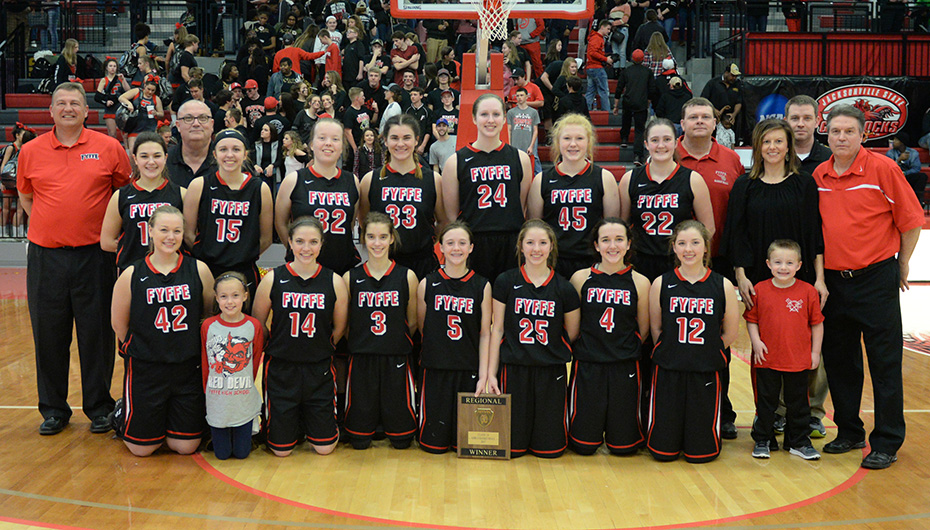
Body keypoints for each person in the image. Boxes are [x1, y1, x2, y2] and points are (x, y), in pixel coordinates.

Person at [17, 82, 132, 435]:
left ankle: (99, 406)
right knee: (49, 334)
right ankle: (53, 408)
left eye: (75, 103)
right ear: (50, 111)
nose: (68, 108)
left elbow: (122, 196)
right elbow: (27, 198)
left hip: (94, 257)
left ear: (86, 111)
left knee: (95, 333)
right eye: (61, 103)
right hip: (46, 258)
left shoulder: (109, 148)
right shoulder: (31, 151)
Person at [813, 104, 923, 470]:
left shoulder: (884, 169)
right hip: (834, 283)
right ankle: (849, 431)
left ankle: (887, 441)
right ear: (826, 135)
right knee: (841, 362)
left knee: (884, 362)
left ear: (863, 135)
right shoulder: (819, 174)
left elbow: (910, 221)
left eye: (848, 131)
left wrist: (902, 263)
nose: (841, 137)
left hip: (876, 279)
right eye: (835, 131)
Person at [720, 118, 827, 438]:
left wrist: (819, 278)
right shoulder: (744, 185)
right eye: (766, 142)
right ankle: (769, 413)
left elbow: (813, 234)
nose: (772, 147)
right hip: (759, 281)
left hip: (800, 277)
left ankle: (806, 413)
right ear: (757, 146)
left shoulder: (803, 184)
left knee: (802, 345)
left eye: (779, 141)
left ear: (789, 146)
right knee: (766, 347)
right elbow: (736, 233)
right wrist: (740, 274)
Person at [110, 205, 215, 456]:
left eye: (177, 231)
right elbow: (118, 324)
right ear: (150, 231)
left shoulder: (198, 269)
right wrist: (144, 348)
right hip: (147, 368)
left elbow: (209, 315)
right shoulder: (132, 273)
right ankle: (122, 412)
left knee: (185, 446)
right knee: (142, 450)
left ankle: (167, 418)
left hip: (186, 368)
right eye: (164, 230)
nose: (171, 237)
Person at [675, 97, 743, 439]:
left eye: (705, 116)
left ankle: (724, 410)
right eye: (693, 117)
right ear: (682, 122)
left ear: (715, 122)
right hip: (673, 267)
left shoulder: (731, 160)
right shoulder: (666, 153)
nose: (699, 121)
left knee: (718, 341)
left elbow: (739, 215)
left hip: (718, 264)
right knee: (675, 339)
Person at [252, 217, 349, 456]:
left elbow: (339, 328)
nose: (306, 248)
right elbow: (259, 324)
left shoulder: (334, 281)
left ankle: (309, 425)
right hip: (282, 368)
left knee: (325, 448)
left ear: (321, 245)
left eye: (313, 242)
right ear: (290, 243)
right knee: (281, 451)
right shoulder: (273, 279)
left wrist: (316, 348)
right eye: (300, 241)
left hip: (319, 368)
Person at [646, 220, 739, 463]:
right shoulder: (661, 283)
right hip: (669, 369)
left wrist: (709, 353)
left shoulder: (722, 284)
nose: (689, 249)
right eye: (682, 243)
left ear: (706, 247)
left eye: (695, 243)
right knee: (662, 452)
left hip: (705, 370)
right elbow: (656, 328)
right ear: (674, 248)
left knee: (701, 454)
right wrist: (671, 351)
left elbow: (730, 333)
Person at [488, 219, 581, 457]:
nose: (536, 249)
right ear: (520, 246)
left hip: (551, 369)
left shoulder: (564, 288)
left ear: (551, 247)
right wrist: (490, 373)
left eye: (542, 243)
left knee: (550, 451)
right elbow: (496, 329)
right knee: (513, 448)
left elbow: (571, 332)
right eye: (530, 242)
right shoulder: (505, 281)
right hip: (514, 368)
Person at [567, 218, 651, 455]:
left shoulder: (641, 282)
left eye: (618, 240)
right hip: (588, 365)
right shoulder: (580, 278)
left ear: (628, 244)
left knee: (624, 449)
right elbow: (574, 324)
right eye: (605, 240)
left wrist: (623, 349)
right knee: (582, 447)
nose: (612, 246)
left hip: (624, 367)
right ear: (596, 245)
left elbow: (643, 329)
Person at [343, 212, 419, 449]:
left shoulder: (407, 276)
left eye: (383, 237)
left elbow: (413, 321)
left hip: (395, 357)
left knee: (402, 441)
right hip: (362, 358)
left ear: (392, 239)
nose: (377, 243)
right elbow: (346, 325)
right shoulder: (350, 277)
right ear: (363, 238)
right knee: (359, 441)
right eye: (371, 237)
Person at [416, 221, 493, 453]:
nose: (456, 248)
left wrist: (483, 376)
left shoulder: (482, 285)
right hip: (436, 368)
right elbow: (423, 327)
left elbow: (485, 334)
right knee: (434, 446)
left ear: (471, 247)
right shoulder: (427, 283)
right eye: (450, 243)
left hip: (467, 369)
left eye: (462, 243)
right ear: (441, 248)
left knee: (467, 445)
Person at [744, 239, 824, 460]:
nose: (783, 267)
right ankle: (763, 440)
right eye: (778, 262)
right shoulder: (759, 289)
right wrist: (756, 341)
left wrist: (815, 352)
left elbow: (817, 324)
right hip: (767, 358)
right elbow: (752, 320)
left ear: (798, 265)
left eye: (789, 262)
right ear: (768, 263)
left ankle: (798, 442)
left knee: (798, 404)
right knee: (766, 403)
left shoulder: (808, 292)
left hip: (797, 360)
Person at [441, 94, 533, 284]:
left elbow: (521, 204)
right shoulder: (456, 161)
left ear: (504, 117)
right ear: (474, 118)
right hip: (474, 243)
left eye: (496, 114)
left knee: (508, 306)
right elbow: (452, 215)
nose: (490, 120)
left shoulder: (520, 158)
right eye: (484, 114)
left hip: (511, 243)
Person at [183, 128, 274, 300]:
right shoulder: (199, 185)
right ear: (215, 154)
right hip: (207, 268)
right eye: (223, 149)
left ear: (246, 154)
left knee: (245, 323)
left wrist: (242, 255)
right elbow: (187, 234)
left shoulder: (259, 188)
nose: (229, 155)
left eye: (236, 149)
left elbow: (266, 238)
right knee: (206, 321)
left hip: (244, 270)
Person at [527, 113, 621, 278]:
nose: (573, 144)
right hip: (554, 261)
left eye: (579, 138)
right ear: (557, 142)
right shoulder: (542, 180)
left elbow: (611, 227)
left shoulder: (604, 178)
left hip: (591, 260)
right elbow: (535, 227)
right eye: (567, 138)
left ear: (589, 142)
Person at [620, 118, 714, 281]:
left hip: (679, 261)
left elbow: (708, 228)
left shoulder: (692, 180)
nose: (661, 145)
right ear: (646, 144)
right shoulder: (630, 179)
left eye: (667, 140)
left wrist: (691, 256)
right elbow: (621, 226)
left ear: (676, 143)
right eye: (655, 140)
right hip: (640, 261)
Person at [359, 114, 445, 278]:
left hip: (422, 262)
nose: (400, 144)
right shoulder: (371, 180)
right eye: (394, 138)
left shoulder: (433, 180)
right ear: (385, 140)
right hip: (383, 263)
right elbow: (364, 221)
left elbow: (442, 221)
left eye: (406, 138)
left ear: (416, 140)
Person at [276, 118, 361, 275]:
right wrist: (297, 250)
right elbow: (281, 223)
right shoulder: (294, 180)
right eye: (322, 138)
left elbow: (349, 224)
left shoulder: (352, 181)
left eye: (335, 139)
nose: (328, 143)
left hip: (343, 268)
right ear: (312, 144)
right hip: (303, 268)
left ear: (342, 147)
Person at [201, 272, 265, 460]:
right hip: (217, 398)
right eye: (224, 296)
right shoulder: (208, 326)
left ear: (245, 296)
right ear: (216, 298)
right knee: (222, 455)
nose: (230, 301)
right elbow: (206, 363)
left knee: (241, 453)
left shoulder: (253, 326)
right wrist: (209, 391)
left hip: (242, 399)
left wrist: (243, 384)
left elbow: (254, 360)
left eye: (235, 295)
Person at [100, 132, 186, 272]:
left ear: (165, 158)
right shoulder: (121, 196)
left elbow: (187, 237)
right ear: (135, 159)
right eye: (144, 156)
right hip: (133, 271)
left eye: (157, 156)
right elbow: (106, 242)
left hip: (171, 272)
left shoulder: (181, 194)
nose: (151, 162)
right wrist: (132, 248)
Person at [613, 49, 658, 166]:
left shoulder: (627, 71)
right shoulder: (648, 72)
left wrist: (616, 105)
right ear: (643, 59)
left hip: (628, 101)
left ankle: (624, 138)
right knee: (639, 129)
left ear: (632, 59)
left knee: (626, 120)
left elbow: (619, 88)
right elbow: (652, 89)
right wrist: (648, 101)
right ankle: (637, 155)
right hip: (641, 102)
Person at [167, 100, 217, 188]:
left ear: (212, 124)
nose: (196, 124)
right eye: (188, 119)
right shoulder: (163, 161)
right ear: (178, 125)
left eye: (203, 118)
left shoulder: (226, 161)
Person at [1, 124, 35, 237]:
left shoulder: (24, 149)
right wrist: (2, 181)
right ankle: (3, 231)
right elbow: (3, 165)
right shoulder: (11, 147)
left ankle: (18, 233)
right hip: (9, 181)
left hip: (18, 182)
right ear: (17, 135)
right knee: (6, 208)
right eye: (22, 134)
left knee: (20, 209)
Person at [785, 95, 832, 176]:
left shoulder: (830, 158)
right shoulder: (776, 158)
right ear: (786, 122)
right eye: (795, 118)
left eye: (807, 118)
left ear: (817, 122)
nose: (800, 124)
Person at [118, 77, 165, 154]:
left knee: (149, 152)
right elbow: (121, 97)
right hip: (135, 127)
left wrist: (156, 113)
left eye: (153, 90)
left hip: (150, 127)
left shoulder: (156, 99)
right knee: (133, 152)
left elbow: (161, 114)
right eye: (148, 89)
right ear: (144, 85)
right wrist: (129, 104)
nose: (150, 92)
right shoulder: (137, 91)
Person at [700, 63, 743, 140]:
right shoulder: (713, 83)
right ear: (726, 73)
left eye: (736, 76)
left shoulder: (737, 84)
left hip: (729, 120)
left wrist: (734, 114)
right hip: (715, 118)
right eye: (732, 75)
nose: (734, 78)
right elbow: (704, 99)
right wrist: (713, 110)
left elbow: (739, 102)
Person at [506, 87, 542, 173]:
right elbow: (509, 130)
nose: (519, 97)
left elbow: (535, 130)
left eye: (522, 95)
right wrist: (510, 145)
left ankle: (539, 179)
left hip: (528, 142)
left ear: (527, 97)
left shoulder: (533, 112)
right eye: (517, 95)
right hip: (515, 143)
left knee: (532, 164)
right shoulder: (511, 112)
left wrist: (531, 146)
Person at [885, 132, 926, 205]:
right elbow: (888, 168)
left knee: (922, 176)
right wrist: (898, 160)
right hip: (895, 177)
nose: (893, 142)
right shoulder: (890, 153)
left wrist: (905, 173)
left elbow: (916, 168)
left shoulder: (913, 153)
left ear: (902, 142)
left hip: (907, 176)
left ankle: (917, 201)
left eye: (895, 140)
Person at [96, 59, 131, 139]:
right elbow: (97, 96)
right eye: (110, 66)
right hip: (110, 109)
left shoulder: (120, 78)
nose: (112, 68)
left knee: (125, 134)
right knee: (112, 134)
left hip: (121, 107)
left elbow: (128, 91)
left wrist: (123, 80)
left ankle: (127, 151)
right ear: (106, 68)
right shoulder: (104, 80)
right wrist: (106, 102)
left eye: (114, 66)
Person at [585, 20, 613, 113]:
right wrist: (606, 59)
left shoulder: (594, 37)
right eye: (608, 29)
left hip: (591, 67)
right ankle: (606, 113)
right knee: (604, 91)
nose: (609, 31)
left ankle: (586, 112)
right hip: (596, 67)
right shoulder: (597, 38)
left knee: (590, 92)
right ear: (602, 27)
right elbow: (593, 52)